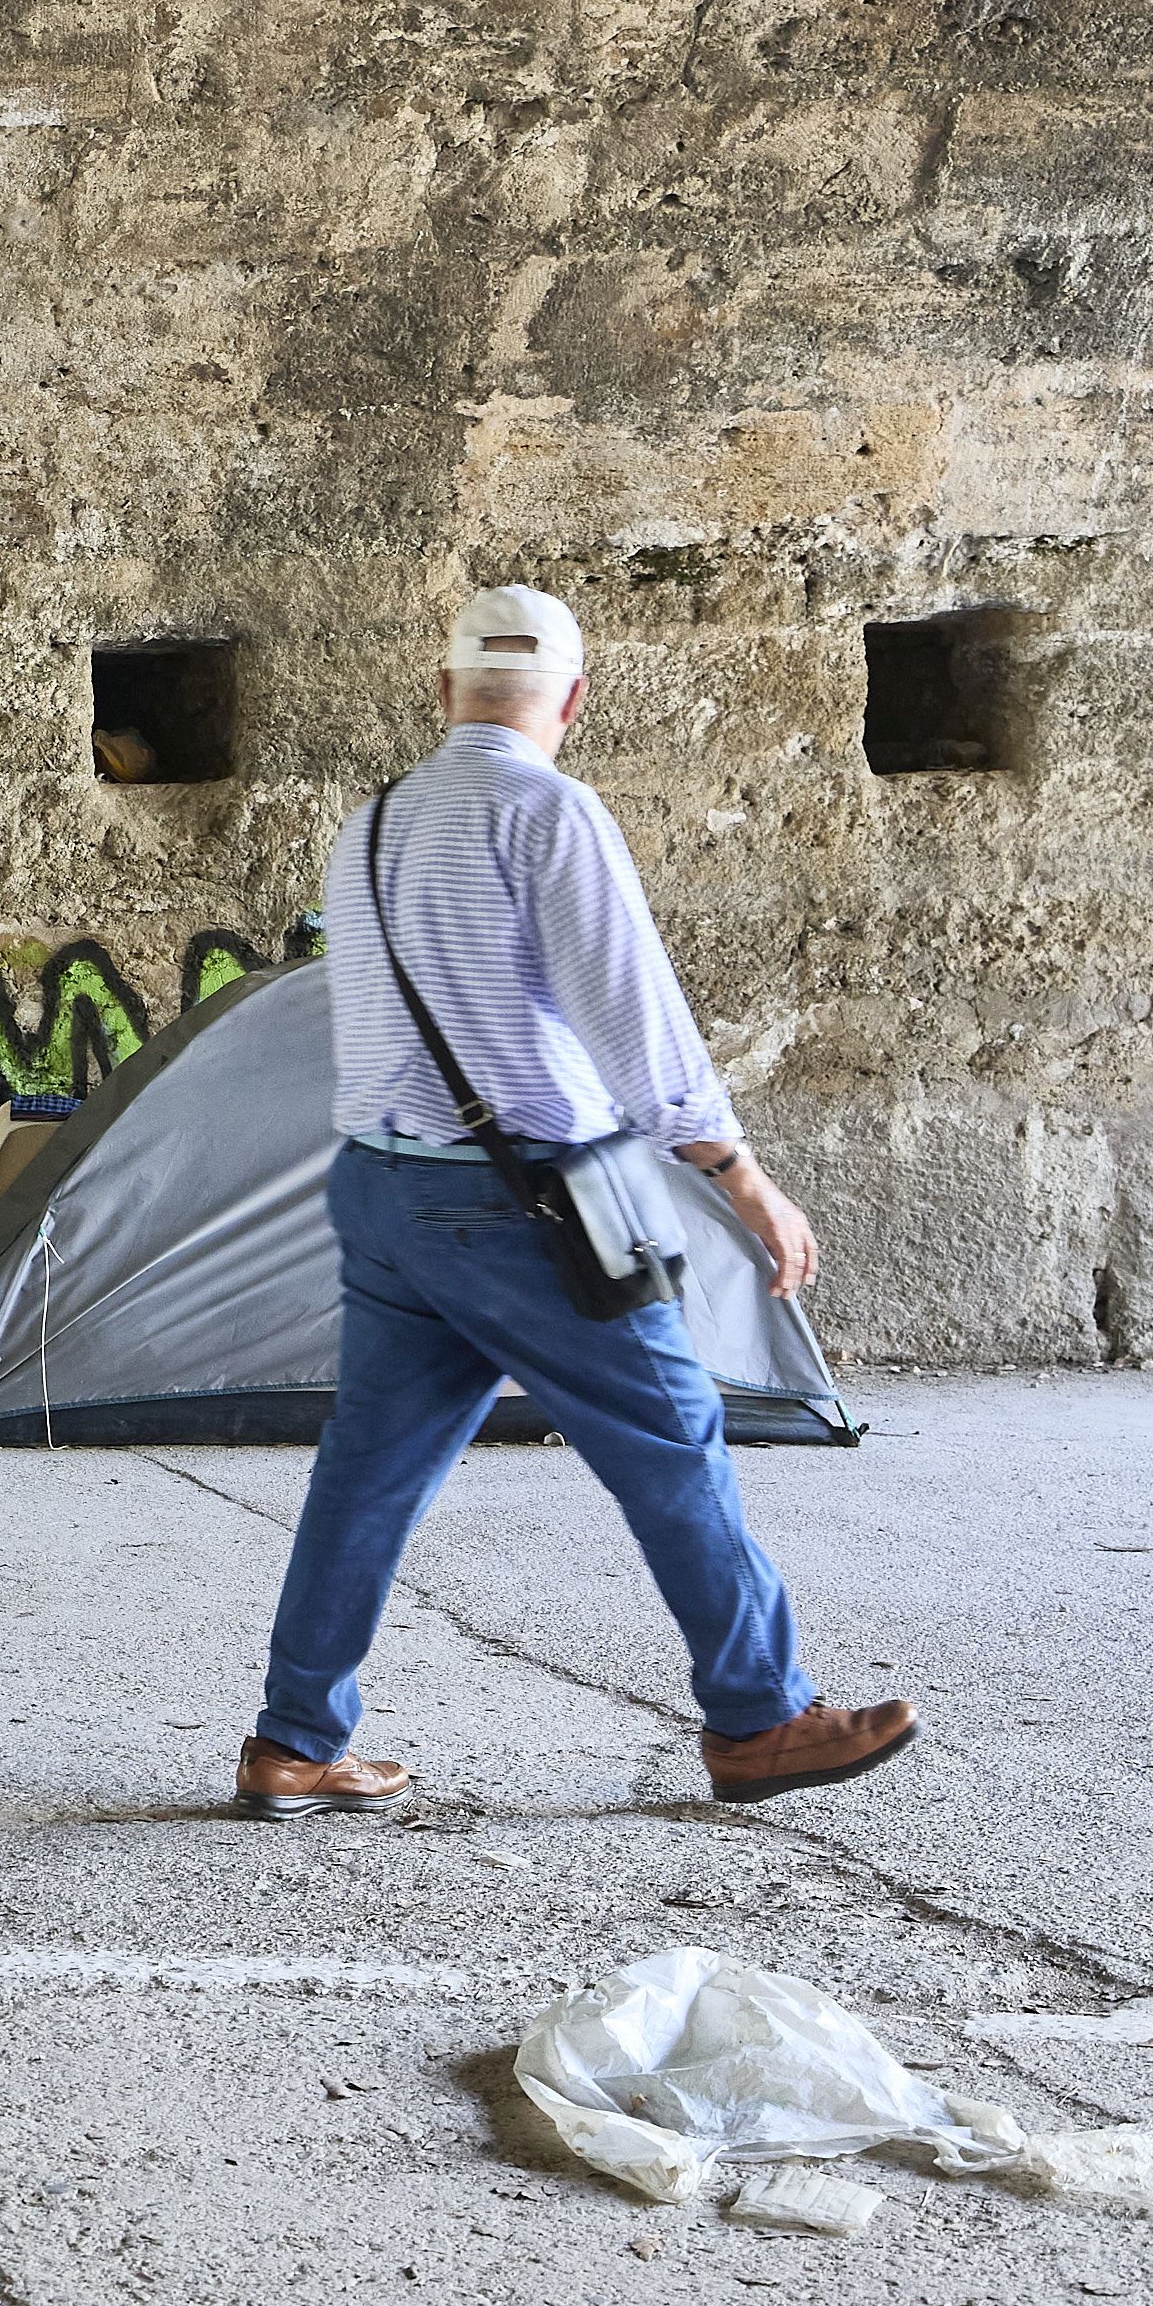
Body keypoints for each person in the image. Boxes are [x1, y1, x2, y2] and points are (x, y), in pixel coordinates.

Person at [235, 584, 918, 1818]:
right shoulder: (550, 813)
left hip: (382, 1192)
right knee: (671, 1445)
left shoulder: (372, 825)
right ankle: (761, 1719)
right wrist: (740, 1176)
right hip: (529, 1209)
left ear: (444, 694)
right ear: (574, 700)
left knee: (368, 1474)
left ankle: (293, 1740)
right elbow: (635, 1022)